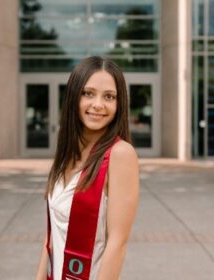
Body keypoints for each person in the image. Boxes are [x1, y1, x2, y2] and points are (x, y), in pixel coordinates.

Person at [35, 56, 139, 280]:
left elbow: (117, 243)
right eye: (88, 93)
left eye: (109, 96)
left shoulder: (120, 154)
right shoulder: (67, 155)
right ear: (74, 97)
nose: (98, 104)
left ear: (119, 104)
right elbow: (51, 239)